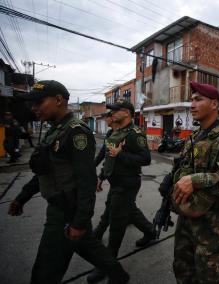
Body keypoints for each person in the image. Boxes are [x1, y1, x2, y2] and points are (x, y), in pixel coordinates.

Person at [7, 80, 129, 284]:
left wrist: (79, 221)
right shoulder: (55, 130)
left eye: (39, 102)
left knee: (44, 273)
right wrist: (22, 198)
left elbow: (86, 180)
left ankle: (117, 275)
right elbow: (46, 172)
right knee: (87, 246)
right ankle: (118, 275)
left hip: (66, 210)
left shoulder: (76, 132)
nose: (34, 108)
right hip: (60, 205)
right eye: (32, 104)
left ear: (58, 100)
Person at [171, 81, 219, 283]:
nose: (192, 105)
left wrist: (196, 180)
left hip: (212, 220)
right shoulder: (195, 136)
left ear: (214, 104)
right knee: (182, 268)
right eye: (191, 100)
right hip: (187, 214)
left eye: (198, 99)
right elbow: (184, 167)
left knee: (211, 275)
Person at [89, 100, 155, 283]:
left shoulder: (135, 134)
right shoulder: (114, 132)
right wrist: (101, 176)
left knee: (116, 226)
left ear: (126, 113)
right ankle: (150, 231)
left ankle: (109, 268)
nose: (111, 114)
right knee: (123, 211)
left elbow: (146, 159)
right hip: (115, 181)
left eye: (115, 111)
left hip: (127, 184)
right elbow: (108, 157)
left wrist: (122, 155)